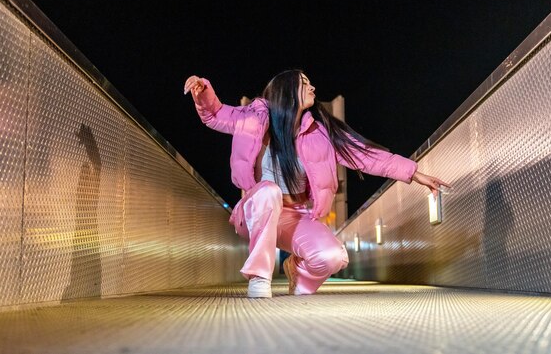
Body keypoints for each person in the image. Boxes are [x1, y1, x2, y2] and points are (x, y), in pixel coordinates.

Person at [184, 69, 450, 298]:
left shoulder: (319, 134)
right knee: (269, 192)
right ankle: (259, 277)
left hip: (296, 215)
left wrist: (414, 173)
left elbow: (366, 156)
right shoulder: (252, 118)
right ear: (287, 91)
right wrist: (202, 91)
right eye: (304, 83)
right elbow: (215, 114)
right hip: (258, 209)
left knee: (333, 258)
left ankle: (296, 272)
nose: (312, 87)